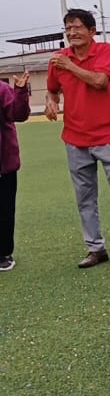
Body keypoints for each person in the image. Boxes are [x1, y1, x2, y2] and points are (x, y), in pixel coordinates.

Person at [45, 8, 110, 268]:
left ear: (91, 31)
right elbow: (52, 90)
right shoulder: (58, 60)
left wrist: (70, 66)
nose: (72, 32)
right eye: (68, 28)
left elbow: (100, 81)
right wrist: (51, 101)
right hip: (75, 139)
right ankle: (95, 248)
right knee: (85, 198)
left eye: (77, 27)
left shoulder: (105, 51)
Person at [0, 72, 31, 271]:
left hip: (3, 163)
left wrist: (20, 91)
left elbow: (19, 114)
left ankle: (3, 252)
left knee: (4, 210)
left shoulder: (2, 89)